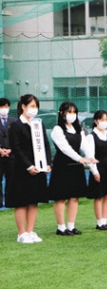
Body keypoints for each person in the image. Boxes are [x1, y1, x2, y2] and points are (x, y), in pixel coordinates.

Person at [6, 94, 51, 243]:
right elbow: (17, 148)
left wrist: (47, 163)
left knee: (34, 200)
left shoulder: (38, 124)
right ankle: (21, 233)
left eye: (36, 106)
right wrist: (28, 165)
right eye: (31, 106)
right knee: (21, 200)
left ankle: (30, 230)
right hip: (21, 168)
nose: (34, 109)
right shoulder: (16, 126)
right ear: (23, 107)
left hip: (38, 167)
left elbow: (45, 144)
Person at [49, 101, 91, 236]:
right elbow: (64, 148)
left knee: (74, 197)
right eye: (69, 112)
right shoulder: (57, 129)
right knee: (61, 197)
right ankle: (61, 227)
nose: (72, 115)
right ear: (61, 113)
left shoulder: (79, 130)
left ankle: (71, 226)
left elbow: (85, 146)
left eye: (74, 112)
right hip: (62, 166)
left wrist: (91, 159)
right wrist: (80, 158)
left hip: (76, 167)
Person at [86, 110, 107, 231]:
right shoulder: (91, 136)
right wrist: (94, 171)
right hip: (98, 166)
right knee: (99, 196)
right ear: (96, 121)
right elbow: (90, 155)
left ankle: (105, 221)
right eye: (102, 120)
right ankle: (99, 222)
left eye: (106, 120)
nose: (104, 122)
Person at [0, 98, 16, 208]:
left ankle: (10, 201)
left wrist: (10, 149)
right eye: (1, 107)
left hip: (11, 155)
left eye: (6, 106)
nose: (4, 109)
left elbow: (17, 139)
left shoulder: (14, 121)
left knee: (11, 180)